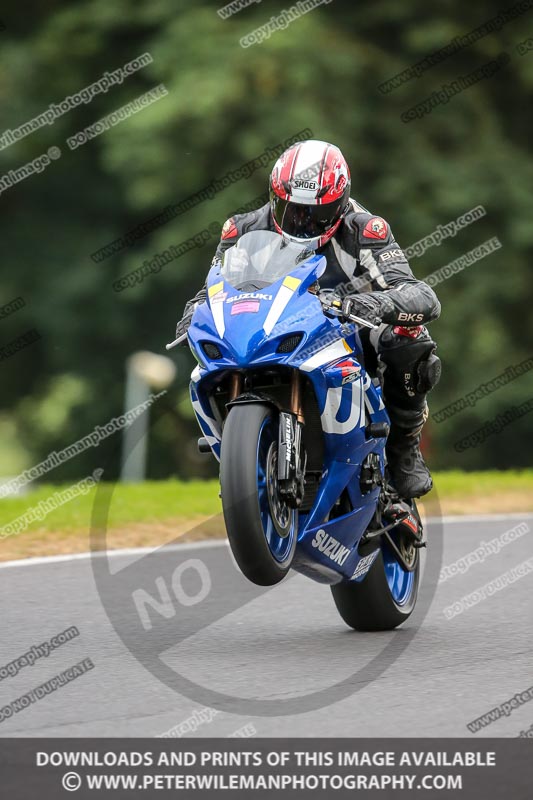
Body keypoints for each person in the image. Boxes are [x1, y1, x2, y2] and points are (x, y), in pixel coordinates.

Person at [175, 140, 441, 498]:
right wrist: (193, 313)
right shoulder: (241, 230)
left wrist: (371, 304)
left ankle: (403, 450)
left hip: (346, 329)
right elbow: (211, 288)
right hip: (273, 328)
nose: (302, 223)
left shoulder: (366, 230)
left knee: (409, 334)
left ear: (341, 202)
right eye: (292, 210)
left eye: (316, 213)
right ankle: (242, 457)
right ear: (274, 197)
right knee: (205, 361)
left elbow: (422, 296)